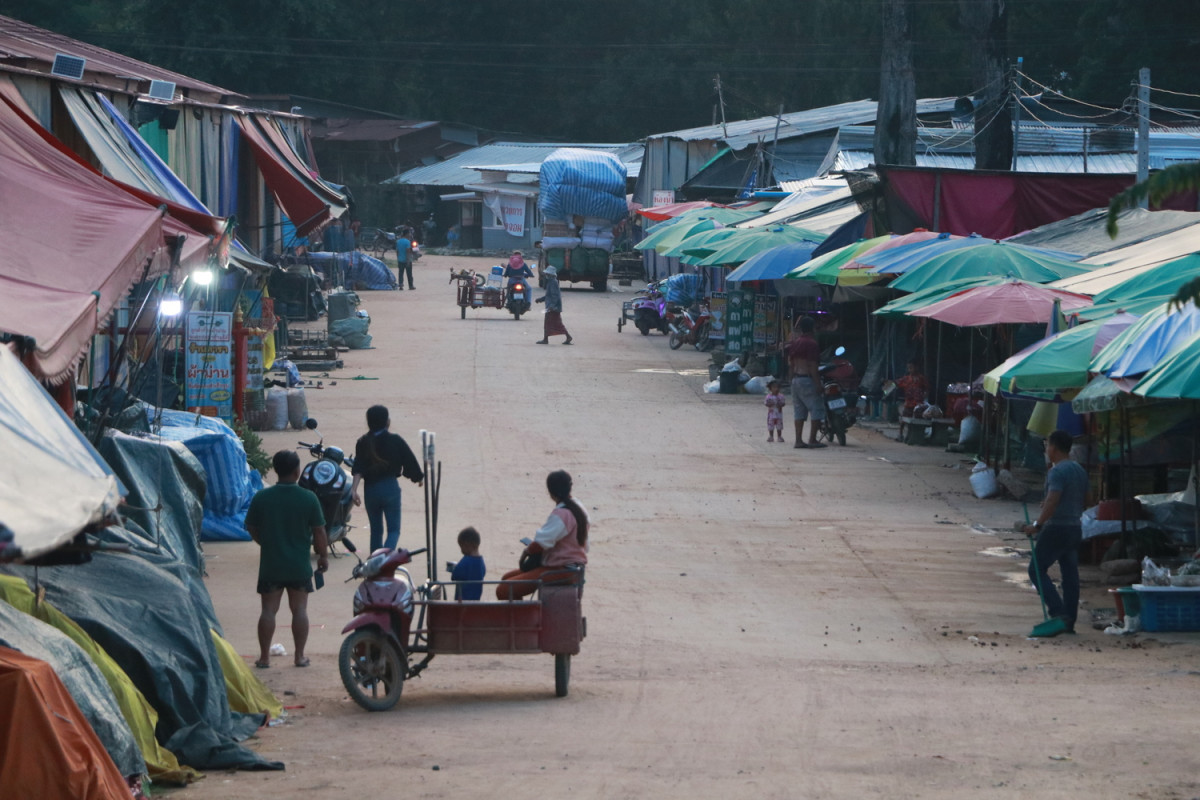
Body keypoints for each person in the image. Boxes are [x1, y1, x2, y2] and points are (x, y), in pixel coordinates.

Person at [246, 450, 329, 668]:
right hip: (299, 565)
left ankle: (264, 657)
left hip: (271, 564)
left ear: (275, 470)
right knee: (299, 610)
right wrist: (323, 556)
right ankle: (299, 656)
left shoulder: (262, 497)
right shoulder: (308, 498)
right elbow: (319, 532)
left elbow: (251, 526)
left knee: (268, 611)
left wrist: (265, 542)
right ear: (297, 471)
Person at [1022, 429, 1088, 634]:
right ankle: (1069, 620)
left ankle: (1058, 612)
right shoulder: (1079, 470)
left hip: (1057, 527)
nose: (1046, 449)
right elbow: (1088, 497)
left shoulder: (1056, 471)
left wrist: (1038, 525)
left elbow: (1053, 500)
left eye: (1047, 445)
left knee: (1036, 570)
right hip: (1075, 527)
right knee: (1070, 575)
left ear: (1055, 448)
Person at [496, 470, 588, 600]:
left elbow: (541, 543)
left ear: (550, 492)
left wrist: (526, 551)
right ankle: (520, 616)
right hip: (572, 568)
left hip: (561, 569)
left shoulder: (561, 515)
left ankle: (523, 619)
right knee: (506, 578)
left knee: (504, 590)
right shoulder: (579, 508)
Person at [350, 405, 424, 552]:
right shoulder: (395, 440)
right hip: (390, 488)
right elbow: (409, 460)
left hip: (371, 490)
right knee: (393, 531)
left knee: (376, 531)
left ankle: (375, 566)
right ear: (387, 422)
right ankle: (384, 561)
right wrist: (418, 478)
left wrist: (354, 490)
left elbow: (358, 468)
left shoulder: (362, 442)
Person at [784, 316, 825, 449]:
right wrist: (818, 384)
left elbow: (790, 363)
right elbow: (813, 366)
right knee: (816, 409)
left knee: (799, 411)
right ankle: (812, 439)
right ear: (813, 328)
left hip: (796, 379)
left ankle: (798, 440)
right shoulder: (812, 344)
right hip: (807, 379)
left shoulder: (795, 343)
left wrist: (791, 380)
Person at [534, 265, 573, 345]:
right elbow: (549, 295)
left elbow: (555, 296)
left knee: (556, 323)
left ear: (550, 275)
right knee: (549, 323)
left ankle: (567, 336)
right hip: (551, 306)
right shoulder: (551, 282)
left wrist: (552, 306)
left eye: (547, 274)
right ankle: (546, 339)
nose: (546, 276)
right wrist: (541, 299)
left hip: (553, 307)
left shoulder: (553, 282)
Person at [450, 526, 486, 601]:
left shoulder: (466, 561)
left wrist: (453, 568)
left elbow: (454, 576)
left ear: (467, 545)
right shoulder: (481, 562)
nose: (461, 551)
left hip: (462, 601)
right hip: (476, 601)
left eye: (461, 547)